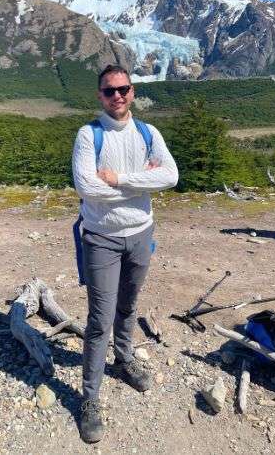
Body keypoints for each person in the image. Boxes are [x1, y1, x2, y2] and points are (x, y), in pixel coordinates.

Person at [72, 65, 178, 444]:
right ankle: (90, 398)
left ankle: (125, 357)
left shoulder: (149, 133)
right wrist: (142, 185)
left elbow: (171, 176)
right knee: (100, 318)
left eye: (123, 89)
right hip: (101, 239)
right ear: (99, 95)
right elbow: (87, 187)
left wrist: (119, 180)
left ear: (132, 92)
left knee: (129, 305)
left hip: (140, 235)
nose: (117, 96)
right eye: (109, 91)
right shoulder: (89, 135)